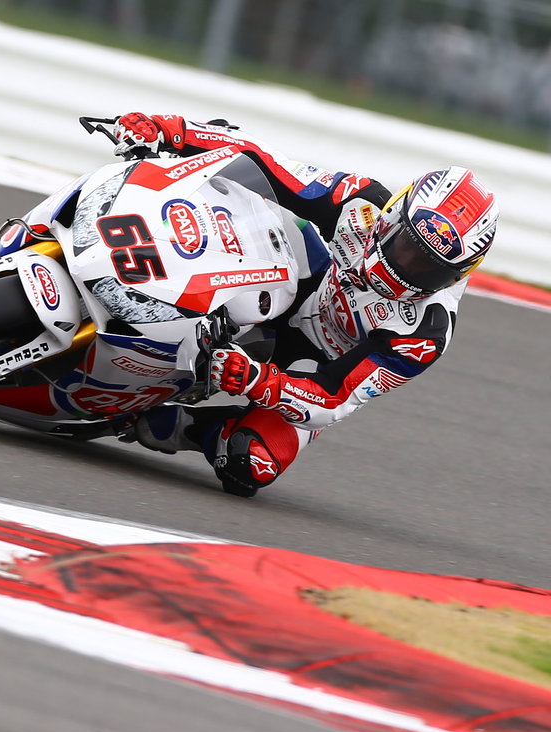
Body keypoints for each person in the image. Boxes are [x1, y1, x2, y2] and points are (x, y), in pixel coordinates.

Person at [105, 112, 500, 496]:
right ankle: (136, 265)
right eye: (406, 246)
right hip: (302, 277)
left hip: (316, 364)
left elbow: (334, 398)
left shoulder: (424, 332)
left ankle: (175, 423)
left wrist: (258, 380)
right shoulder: (361, 203)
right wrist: (172, 131)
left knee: (252, 463)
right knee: (240, 201)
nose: (405, 267)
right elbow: (268, 164)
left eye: (429, 269)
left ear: (457, 274)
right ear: (393, 216)